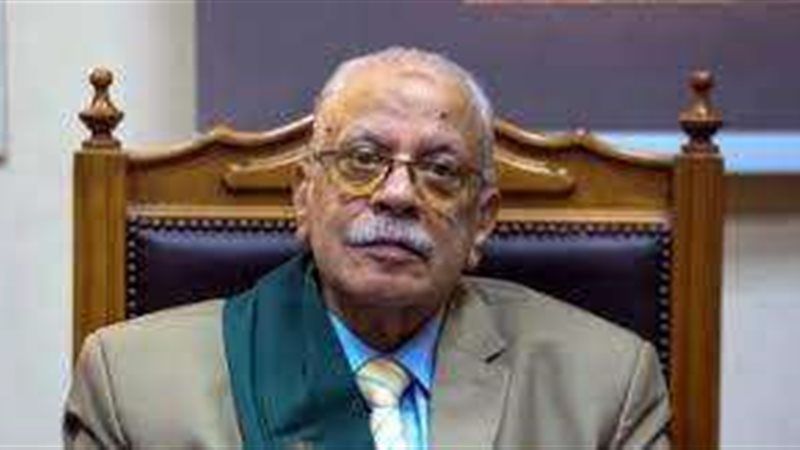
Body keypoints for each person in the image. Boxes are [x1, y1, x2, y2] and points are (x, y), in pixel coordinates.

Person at [64, 47, 669, 449]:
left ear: (482, 221)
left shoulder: (606, 388)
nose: (398, 195)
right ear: (303, 196)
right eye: (362, 159)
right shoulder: (135, 386)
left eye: (440, 170)